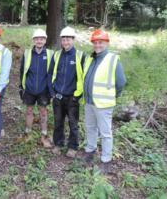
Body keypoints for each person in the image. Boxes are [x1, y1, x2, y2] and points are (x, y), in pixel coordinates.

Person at [83, 29, 126, 173]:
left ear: (106, 43)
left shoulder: (112, 59)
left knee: (105, 133)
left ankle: (106, 161)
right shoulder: (91, 58)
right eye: (95, 42)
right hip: (89, 101)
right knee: (90, 128)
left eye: (100, 42)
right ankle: (90, 151)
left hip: (104, 104)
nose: (97, 45)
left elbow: (121, 82)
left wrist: (113, 96)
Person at [48, 26, 85, 158]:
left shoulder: (80, 56)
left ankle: (73, 147)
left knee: (73, 124)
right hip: (58, 96)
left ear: (73, 40)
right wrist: (52, 93)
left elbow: (83, 78)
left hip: (72, 97)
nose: (65, 42)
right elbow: (50, 74)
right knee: (58, 122)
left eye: (68, 39)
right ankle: (58, 144)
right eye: (63, 39)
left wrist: (77, 96)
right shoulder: (57, 55)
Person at [19, 28, 53, 148]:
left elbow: (53, 73)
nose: (39, 41)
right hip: (29, 88)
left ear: (45, 40)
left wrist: (51, 90)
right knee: (29, 111)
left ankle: (44, 136)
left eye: (42, 39)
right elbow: (22, 71)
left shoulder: (50, 54)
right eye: (37, 39)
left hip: (44, 90)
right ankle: (27, 133)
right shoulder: (27, 53)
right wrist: (21, 87)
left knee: (43, 112)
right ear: (34, 40)